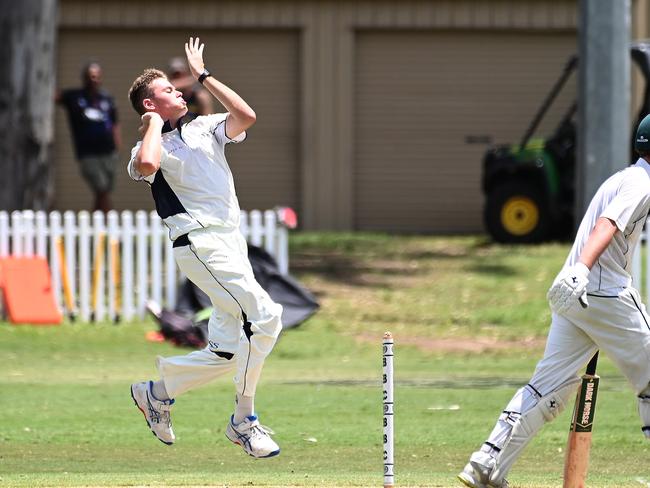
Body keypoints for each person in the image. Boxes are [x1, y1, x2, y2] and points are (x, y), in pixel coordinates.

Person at [458, 114, 650, 488]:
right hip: (601, 290)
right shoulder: (641, 184)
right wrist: (582, 268)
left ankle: (487, 464)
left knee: (547, 389)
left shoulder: (625, 176)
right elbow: (606, 226)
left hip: (576, 296)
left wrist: (576, 274)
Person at [126, 37, 283, 459]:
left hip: (230, 243)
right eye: (166, 90)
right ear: (149, 105)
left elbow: (246, 116)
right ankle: (243, 421)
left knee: (230, 350)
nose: (177, 90)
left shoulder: (204, 125)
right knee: (266, 318)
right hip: (199, 243)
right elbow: (146, 166)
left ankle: (156, 393)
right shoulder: (147, 144)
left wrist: (204, 77)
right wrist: (154, 125)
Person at [58, 61, 121, 212]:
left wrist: (118, 147)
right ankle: (108, 223)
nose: (94, 79)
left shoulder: (106, 99)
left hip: (109, 151)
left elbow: (115, 124)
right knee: (101, 188)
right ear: (84, 78)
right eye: (91, 76)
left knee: (104, 191)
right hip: (88, 153)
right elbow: (50, 95)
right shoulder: (73, 97)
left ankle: (95, 226)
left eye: (97, 76)